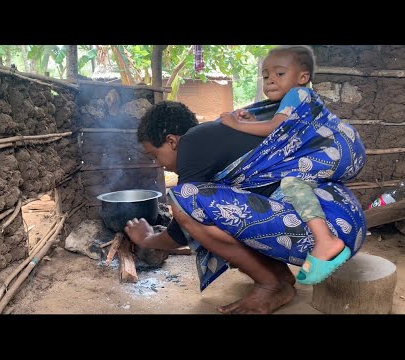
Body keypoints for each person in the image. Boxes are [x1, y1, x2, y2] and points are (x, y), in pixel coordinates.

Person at [125, 101, 366, 314]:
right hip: (346, 223)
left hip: (327, 236)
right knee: (218, 211)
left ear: (172, 141)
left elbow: (181, 227)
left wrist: (148, 239)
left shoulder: (192, 143)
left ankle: (270, 285)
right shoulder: (218, 139)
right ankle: (278, 278)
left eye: (154, 155)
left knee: (185, 201)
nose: (160, 165)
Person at [220, 45, 366, 285]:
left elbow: (276, 129)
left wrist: (237, 124)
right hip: (343, 150)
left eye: (279, 74)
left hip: (338, 150)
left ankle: (325, 240)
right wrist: (255, 120)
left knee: (289, 181)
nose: (270, 81)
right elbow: (285, 129)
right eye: (266, 75)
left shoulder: (297, 94)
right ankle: (322, 235)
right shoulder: (298, 100)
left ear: (302, 77)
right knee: (293, 185)